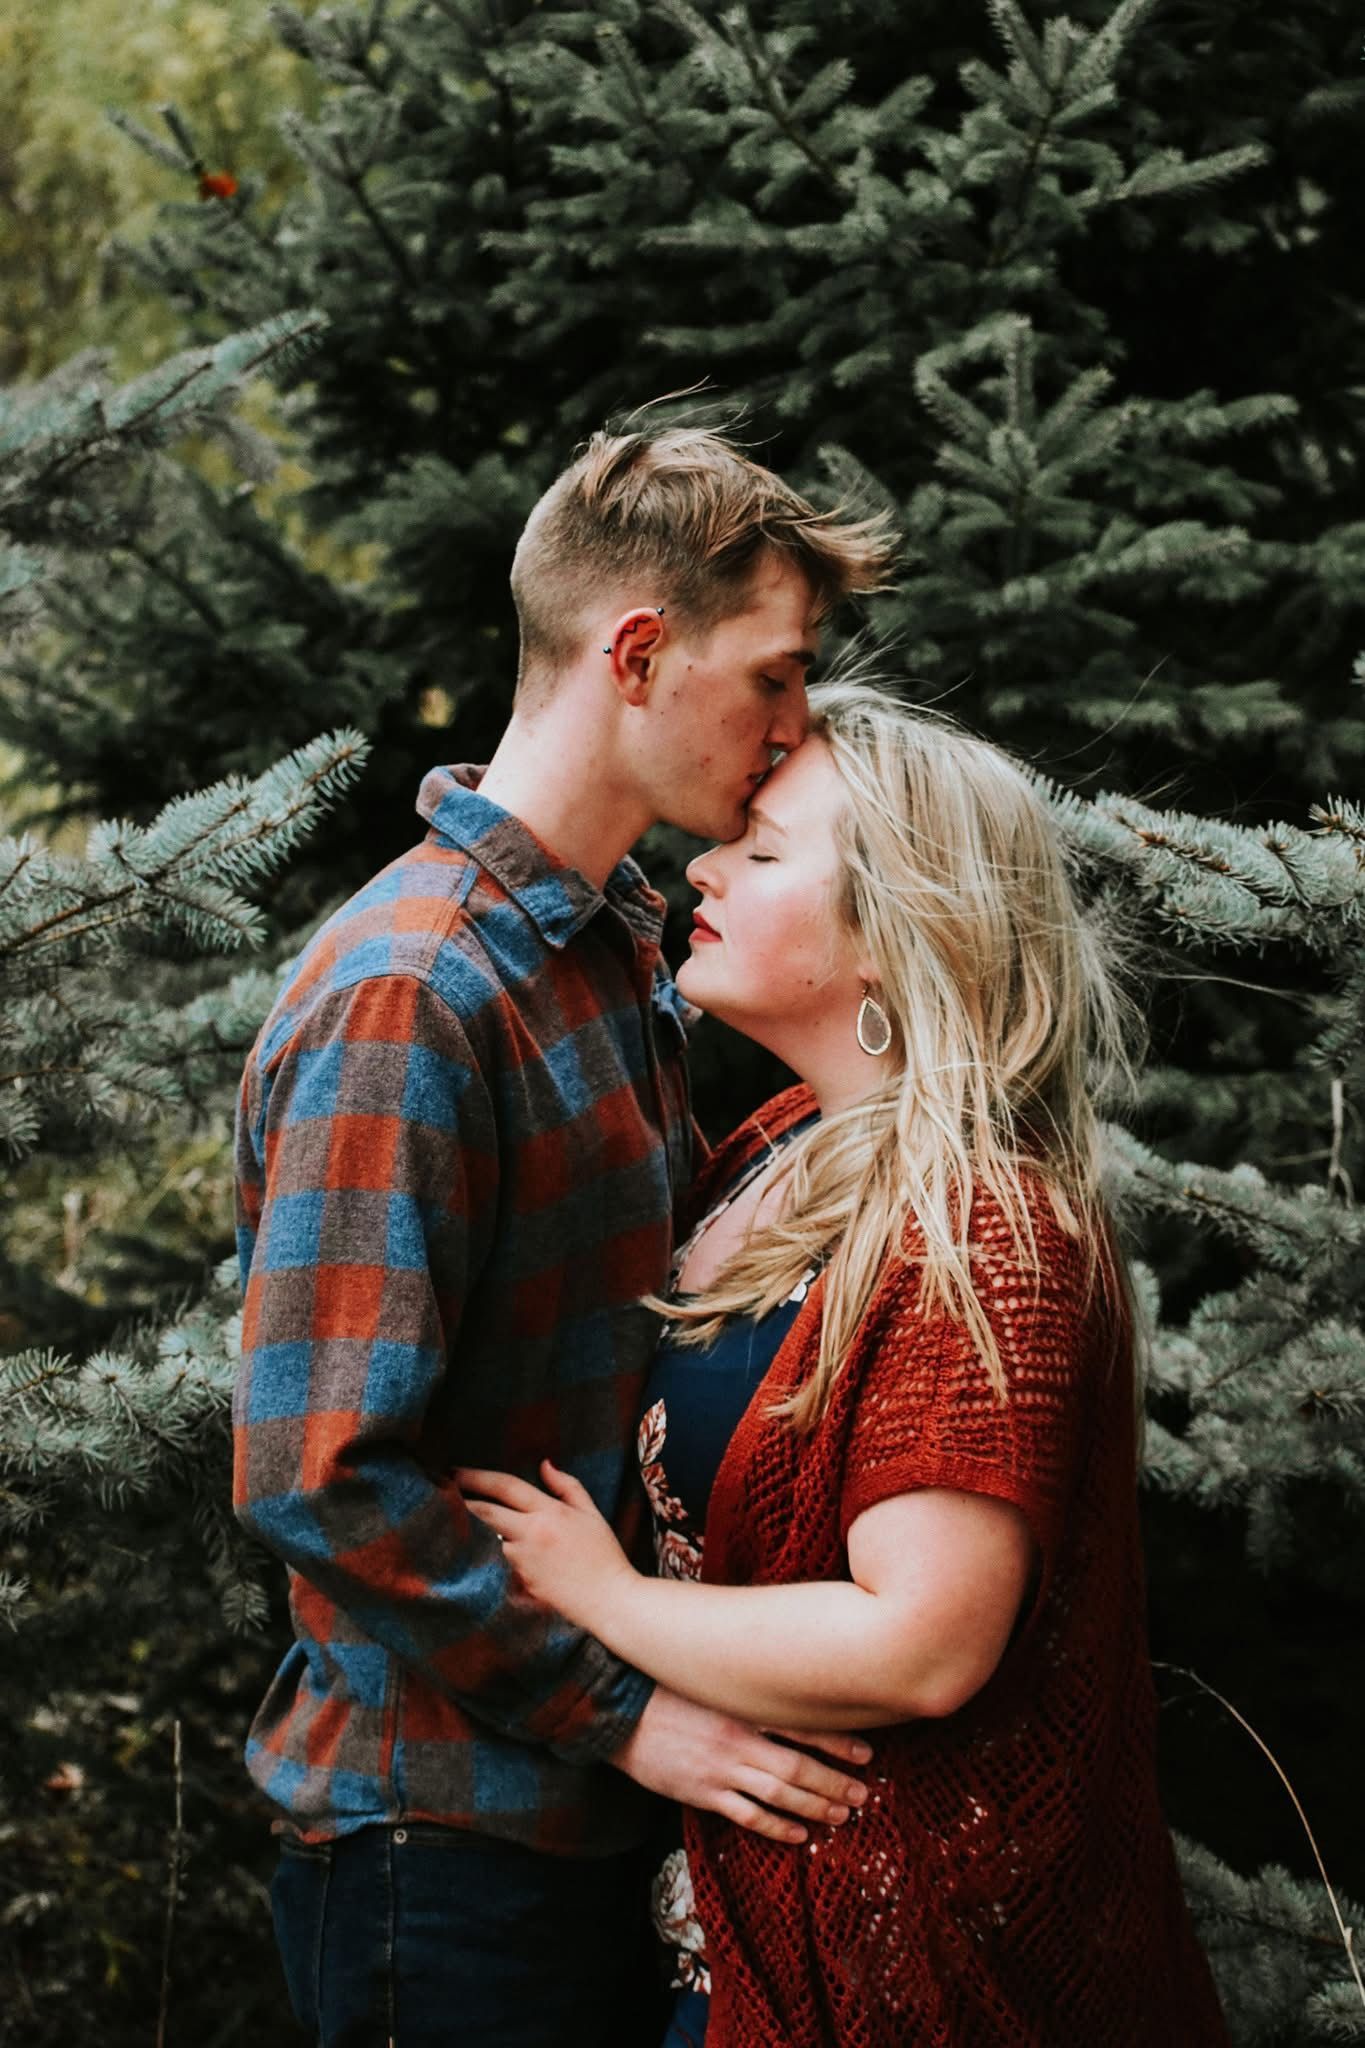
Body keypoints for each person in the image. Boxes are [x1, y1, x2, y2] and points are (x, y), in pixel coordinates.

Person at [230, 423, 897, 2046]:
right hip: (442, 1848)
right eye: (774, 679)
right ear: (640, 654)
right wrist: (633, 1715)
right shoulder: (415, 992)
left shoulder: (608, 947)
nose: (792, 731)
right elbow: (316, 1471)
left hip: (587, 1819)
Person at [460, 679, 1233, 2048]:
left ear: (893, 933)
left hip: (924, 1971)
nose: (698, 861)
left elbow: (919, 1643)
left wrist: (601, 1597)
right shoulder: (776, 1151)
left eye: (760, 853)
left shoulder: (984, 1228)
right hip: (743, 1923)